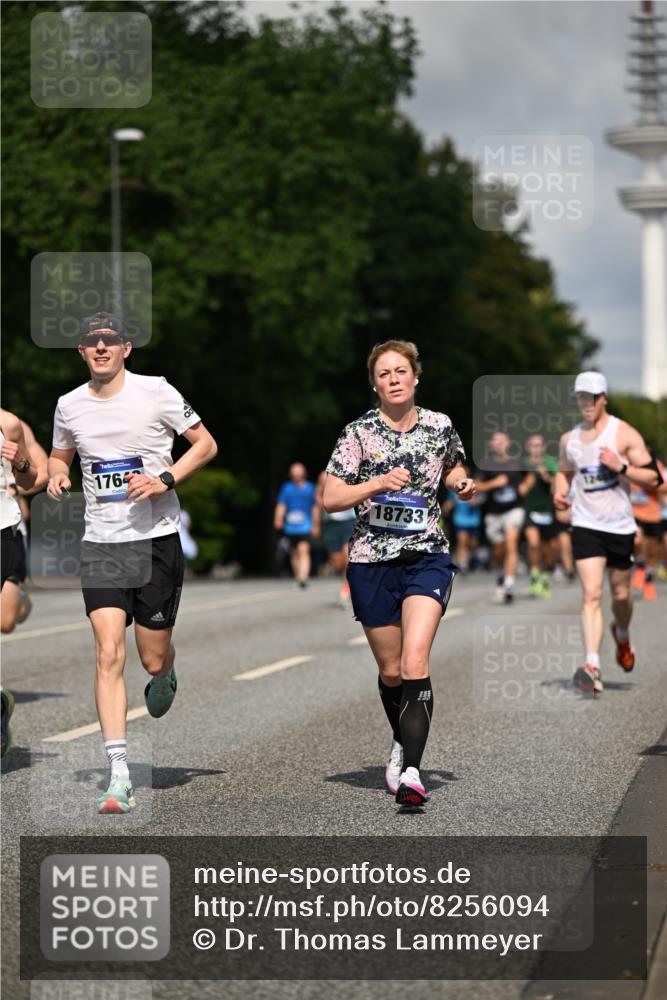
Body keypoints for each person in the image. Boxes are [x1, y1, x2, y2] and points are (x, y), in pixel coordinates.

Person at [47, 312, 217, 811]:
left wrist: (165, 479)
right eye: (91, 341)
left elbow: (206, 444)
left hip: (155, 540)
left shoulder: (156, 391)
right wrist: (58, 474)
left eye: (110, 340)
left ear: (126, 348)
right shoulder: (68, 405)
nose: (100, 347)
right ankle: (118, 773)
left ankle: (165, 674)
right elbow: (62, 456)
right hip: (101, 543)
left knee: (151, 656)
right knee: (106, 653)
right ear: (81, 351)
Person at [322, 340, 476, 808]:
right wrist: (377, 483)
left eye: (400, 371)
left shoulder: (439, 425)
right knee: (391, 672)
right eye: (384, 373)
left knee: (414, 662)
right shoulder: (358, 434)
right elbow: (330, 498)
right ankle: (400, 740)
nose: (393, 379)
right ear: (375, 383)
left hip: (426, 554)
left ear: (415, 377)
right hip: (372, 559)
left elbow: (452, 467)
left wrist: (460, 483)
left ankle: (411, 769)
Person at [553, 371, 662, 695]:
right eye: (581, 397)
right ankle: (592, 665)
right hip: (586, 525)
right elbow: (563, 474)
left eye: (592, 397)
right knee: (591, 594)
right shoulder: (568, 439)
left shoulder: (623, 433)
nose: (586, 403)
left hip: (619, 526)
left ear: (604, 398)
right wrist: (560, 494)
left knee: (621, 595)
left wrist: (622, 467)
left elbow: (655, 478)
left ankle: (623, 634)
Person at [1, 409, 42, 756]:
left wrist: (19, 471)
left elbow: (34, 478)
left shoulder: (10, 424)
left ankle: (20, 598)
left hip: (5, 531)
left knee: (5, 621)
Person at [475, 432, 532, 604]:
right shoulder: (486, 464)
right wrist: (494, 483)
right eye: (496, 441)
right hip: (494, 513)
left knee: (511, 542)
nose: (499, 444)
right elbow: (476, 486)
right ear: (492, 445)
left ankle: (508, 584)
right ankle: (501, 573)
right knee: (499, 549)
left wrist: (525, 486)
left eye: (503, 441)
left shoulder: (516, 462)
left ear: (508, 444)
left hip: (514, 510)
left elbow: (530, 475)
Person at [522, 433, 559, 598]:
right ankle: (535, 575)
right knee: (534, 544)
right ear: (528, 447)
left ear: (543, 448)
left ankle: (544, 575)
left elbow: (559, 483)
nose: (536, 449)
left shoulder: (550, 462)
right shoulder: (523, 464)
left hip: (547, 510)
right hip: (529, 509)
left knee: (548, 549)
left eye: (539, 445)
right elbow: (518, 486)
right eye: (533, 445)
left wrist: (546, 476)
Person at [273, 463, 319, 588]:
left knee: (304, 550)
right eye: (294, 472)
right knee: (294, 553)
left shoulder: (310, 488)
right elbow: (282, 505)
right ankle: (298, 576)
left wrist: (316, 525)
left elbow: (315, 507)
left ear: (304, 473)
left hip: (305, 525)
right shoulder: (287, 488)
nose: (296, 474)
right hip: (290, 527)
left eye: (299, 472)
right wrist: (278, 518)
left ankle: (303, 577)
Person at [316, 470, 355, 605]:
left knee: (347, 557)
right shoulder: (324, 476)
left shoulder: (354, 469)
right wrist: (326, 505)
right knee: (338, 563)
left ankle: (346, 590)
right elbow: (318, 495)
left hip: (350, 521)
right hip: (331, 523)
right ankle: (346, 582)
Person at [629, 459, 665, 601]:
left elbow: (663, 486)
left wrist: (647, 484)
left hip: (653, 513)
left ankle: (649, 579)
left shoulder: (656, 465)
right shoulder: (627, 464)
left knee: (653, 551)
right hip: (634, 512)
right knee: (637, 539)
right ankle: (640, 565)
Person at [441, 465, 482, 573]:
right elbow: (451, 500)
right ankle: (463, 564)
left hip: (473, 520)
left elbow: (483, 498)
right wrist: (445, 508)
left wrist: (477, 502)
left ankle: (473, 558)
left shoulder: (475, 486)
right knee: (462, 541)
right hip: (460, 519)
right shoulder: (456, 486)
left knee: (473, 543)